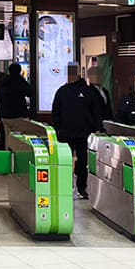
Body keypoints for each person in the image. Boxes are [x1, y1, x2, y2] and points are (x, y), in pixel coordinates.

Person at [51, 64, 103, 199]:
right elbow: (56, 111)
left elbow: (95, 111)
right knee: (65, 161)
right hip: (66, 133)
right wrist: (58, 128)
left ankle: (81, 187)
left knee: (83, 162)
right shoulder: (62, 91)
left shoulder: (87, 91)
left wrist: (95, 127)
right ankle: (66, 186)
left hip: (83, 134)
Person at [0, 63, 33, 142]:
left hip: (5, 115)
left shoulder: (3, 82)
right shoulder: (19, 81)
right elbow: (30, 92)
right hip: (18, 114)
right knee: (19, 138)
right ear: (19, 71)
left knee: (7, 137)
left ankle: (8, 150)